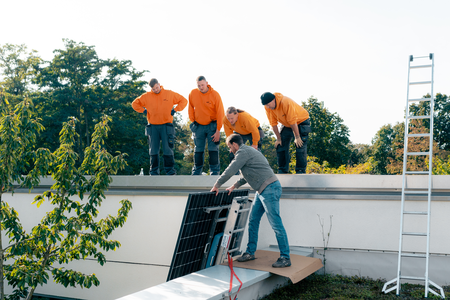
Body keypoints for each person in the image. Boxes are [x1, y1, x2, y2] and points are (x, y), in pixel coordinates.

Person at [210, 134, 291, 268]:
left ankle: (285, 257)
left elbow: (231, 169)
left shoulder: (243, 152)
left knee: (276, 223)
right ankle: (250, 253)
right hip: (262, 190)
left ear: (235, 145)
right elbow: (247, 175)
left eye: (230, 147)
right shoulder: (249, 152)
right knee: (253, 221)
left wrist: (217, 185)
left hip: (269, 189)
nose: (230, 150)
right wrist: (234, 186)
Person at [132, 78, 187, 175]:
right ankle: (153, 172)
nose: (156, 90)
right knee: (153, 150)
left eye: (157, 87)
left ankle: (170, 171)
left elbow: (183, 100)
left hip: (166, 126)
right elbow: (134, 104)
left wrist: (175, 110)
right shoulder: (146, 96)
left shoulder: (169, 94)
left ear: (159, 84)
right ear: (151, 89)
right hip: (153, 126)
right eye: (154, 89)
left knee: (167, 149)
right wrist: (144, 111)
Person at [261, 92, 311, 174]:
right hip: (287, 124)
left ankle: (300, 170)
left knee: (299, 144)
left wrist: (297, 137)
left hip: (301, 121)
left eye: (268, 104)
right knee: (280, 145)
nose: (267, 106)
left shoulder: (285, 102)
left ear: (273, 100)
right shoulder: (268, 108)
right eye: (265, 105)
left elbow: (293, 121)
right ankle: (283, 170)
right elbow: (273, 123)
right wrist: (278, 138)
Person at [188, 76, 225, 175]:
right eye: (199, 85)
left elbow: (220, 113)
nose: (201, 87)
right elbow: (190, 108)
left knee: (213, 149)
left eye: (202, 85)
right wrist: (193, 121)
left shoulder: (215, 95)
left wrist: (218, 130)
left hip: (212, 126)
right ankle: (196, 172)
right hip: (198, 126)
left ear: (207, 83)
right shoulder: (193, 93)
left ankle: (214, 172)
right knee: (198, 149)